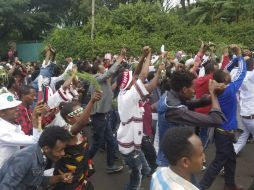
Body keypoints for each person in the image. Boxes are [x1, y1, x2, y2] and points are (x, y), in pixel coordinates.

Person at [116, 46, 164, 190]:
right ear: (130, 82)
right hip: (129, 148)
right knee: (136, 179)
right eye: (133, 79)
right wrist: (158, 69)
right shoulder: (130, 96)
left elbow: (137, 73)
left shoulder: (123, 91)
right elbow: (146, 79)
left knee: (145, 170)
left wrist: (143, 55)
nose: (136, 79)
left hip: (132, 143)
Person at [199, 45, 246, 190]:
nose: (229, 73)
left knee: (230, 159)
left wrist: (232, 60)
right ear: (225, 79)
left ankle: (229, 185)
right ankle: (201, 187)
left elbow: (225, 70)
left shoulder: (220, 87)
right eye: (227, 74)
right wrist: (239, 55)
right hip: (224, 133)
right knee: (219, 161)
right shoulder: (230, 88)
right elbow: (242, 72)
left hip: (221, 131)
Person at [156, 70, 225, 167]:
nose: (194, 91)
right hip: (172, 165)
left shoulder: (169, 96)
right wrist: (213, 94)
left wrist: (214, 94)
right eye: (193, 88)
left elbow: (195, 102)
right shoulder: (175, 110)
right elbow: (216, 120)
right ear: (184, 89)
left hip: (174, 158)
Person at [53, 90, 102, 190]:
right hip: (70, 180)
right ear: (69, 118)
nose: (84, 115)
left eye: (82, 111)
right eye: (79, 114)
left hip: (81, 175)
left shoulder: (80, 131)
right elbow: (81, 123)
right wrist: (91, 101)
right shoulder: (66, 133)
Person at [0, 126, 73, 189]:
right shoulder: (25, 159)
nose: (63, 153)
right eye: (60, 150)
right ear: (46, 148)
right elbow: (6, 187)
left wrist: (60, 178)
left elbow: (36, 180)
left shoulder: (42, 154)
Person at [89, 49, 126, 173]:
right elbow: (109, 73)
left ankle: (110, 165)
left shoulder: (101, 80)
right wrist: (119, 59)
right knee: (97, 143)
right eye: (102, 68)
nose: (104, 69)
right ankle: (83, 162)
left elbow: (110, 83)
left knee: (109, 141)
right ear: (98, 71)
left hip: (102, 116)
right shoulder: (96, 79)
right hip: (99, 117)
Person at [0, 92, 45, 167]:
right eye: (12, 108)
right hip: (4, 173)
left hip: (12, 167)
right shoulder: (2, 131)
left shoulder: (13, 124)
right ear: (1, 113)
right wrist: (34, 118)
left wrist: (38, 119)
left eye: (16, 106)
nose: (17, 109)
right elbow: (36, 141)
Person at [233, 58, 254, 155]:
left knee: (241, 140)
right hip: (251, 117)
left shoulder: (241, 78)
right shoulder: (251, 76)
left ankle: (226, 161)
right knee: (242, 139)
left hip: (243, 115)